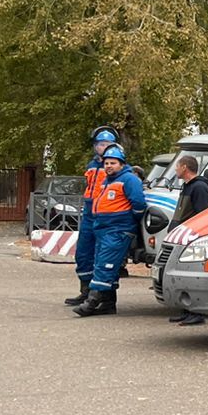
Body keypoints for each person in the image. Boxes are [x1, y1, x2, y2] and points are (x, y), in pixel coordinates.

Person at [73, 144, 147, 317]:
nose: (108, 166)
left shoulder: (129, 179)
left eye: (113, 163)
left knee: (104, 266)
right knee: (104, 264)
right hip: (103, 229)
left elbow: (138, 204)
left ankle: (91, 302)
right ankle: (108, 303)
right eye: (106, 163)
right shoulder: (108, 181)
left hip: (118, 230)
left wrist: (127, 222)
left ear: (121, 164)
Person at [66, 126, 119, 308]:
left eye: (106, 144)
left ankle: (104, 297)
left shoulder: (115, 166)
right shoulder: (92, 165)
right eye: (99, 144)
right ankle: (85, 291)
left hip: (104, 214)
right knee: (83, 253)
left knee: (102, 256)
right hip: (89, 212)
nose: (102, 148)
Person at [167, 154, 208, 326]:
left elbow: (201, 215)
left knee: (191, 275)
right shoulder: (187, 187)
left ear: (185, 167)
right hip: (181, 237)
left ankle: (196, 312)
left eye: (177, 166)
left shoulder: (199, 187)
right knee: (182, 277)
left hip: (191, 238)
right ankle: (186, 310)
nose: (176, 170)